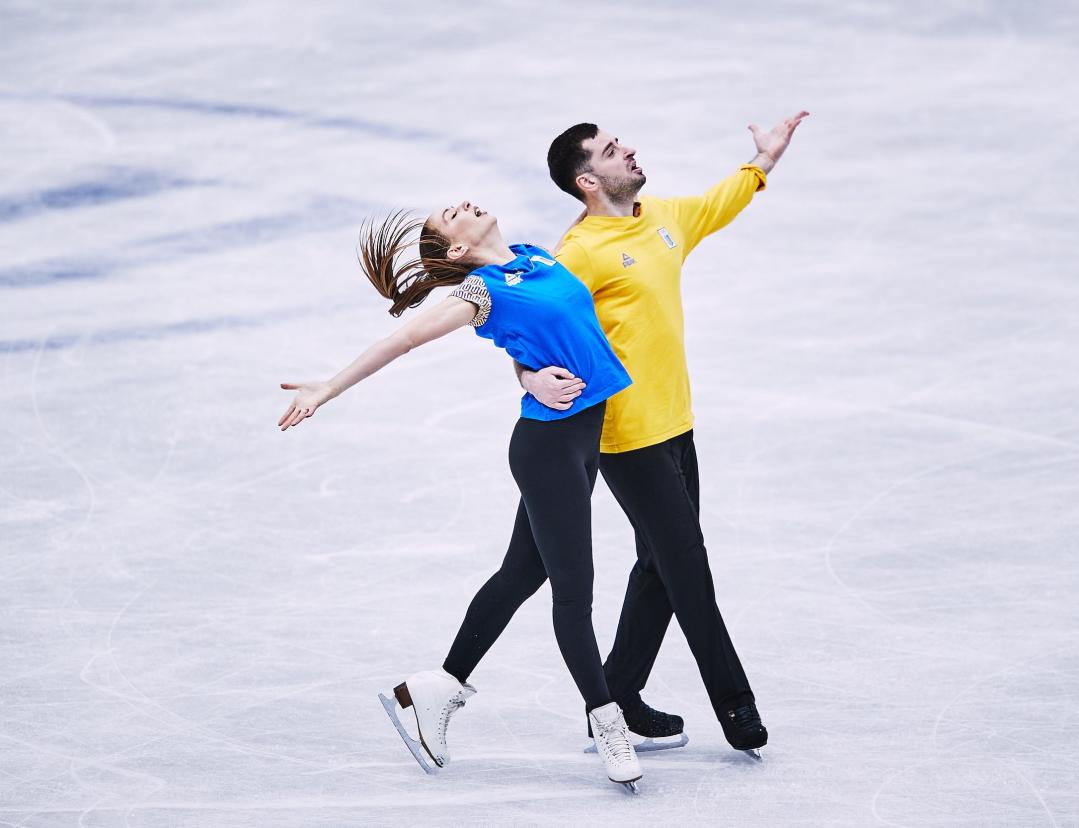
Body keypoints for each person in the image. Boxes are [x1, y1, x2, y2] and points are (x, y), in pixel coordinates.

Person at [277, 203, 644, 790]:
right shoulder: (479, 291)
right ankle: (607, 721)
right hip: (547, 449)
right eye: (453, 215)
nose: (466, 205)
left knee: (519, 575)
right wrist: (328, 386)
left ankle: (434, 690)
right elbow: (403, 339)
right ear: (455, 251)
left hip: (579, 438)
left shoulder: (533, 256)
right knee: (574, 594)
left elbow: (543, 333)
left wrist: (527, 372)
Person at [517, 112, 808, 758]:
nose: (631, 152)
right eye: (614, 151)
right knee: (688, 570)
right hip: (626, 438)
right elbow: (533, 324)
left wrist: (763, 162)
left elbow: (714, 204)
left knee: (658, 568)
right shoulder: (579, 253)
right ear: (588, 180)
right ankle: (737, 706)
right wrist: (530, 377)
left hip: (678, 425)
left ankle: (617, 695)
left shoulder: (662, 219)